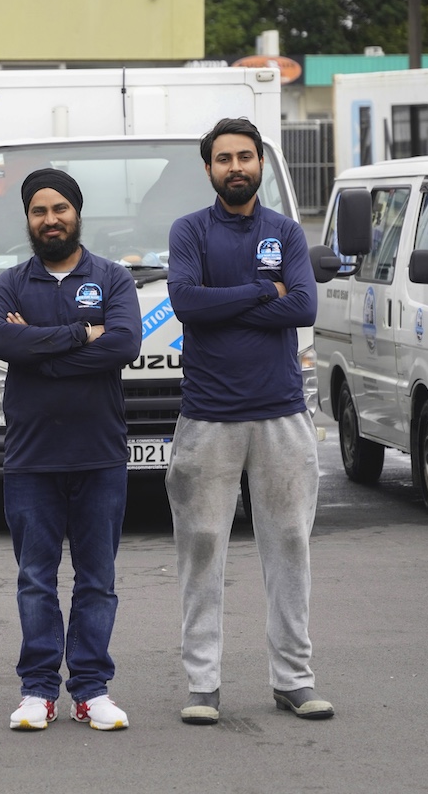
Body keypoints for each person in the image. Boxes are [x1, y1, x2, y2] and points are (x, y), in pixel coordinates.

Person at [164, 117, 328, 724]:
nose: (236, 167)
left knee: (289, 546)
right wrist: (263, 294)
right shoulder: (189, 231)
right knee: (201, 547)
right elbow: (185, 303)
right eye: (224, 158)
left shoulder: (286, 231)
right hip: (207, 417)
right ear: (208, 169)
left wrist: (224, 302)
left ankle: (294, 680)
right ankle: (202, 686)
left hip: (281, 414)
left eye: (246, 156)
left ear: (260, 163)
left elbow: (305, 305)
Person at [0, 168, 142, 733]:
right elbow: (0, 340)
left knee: (98, 579)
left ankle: (92, 690)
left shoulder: (114, 278)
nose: (50, 220)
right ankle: (37, 690)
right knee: (35, 578)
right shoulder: (10, 283)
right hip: (31, 457)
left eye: (60, 209)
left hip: (99, 455)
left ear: (77, 212)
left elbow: (123, 342)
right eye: (38, 211)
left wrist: (39, 349)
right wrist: (81, 333)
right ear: (28, 219)